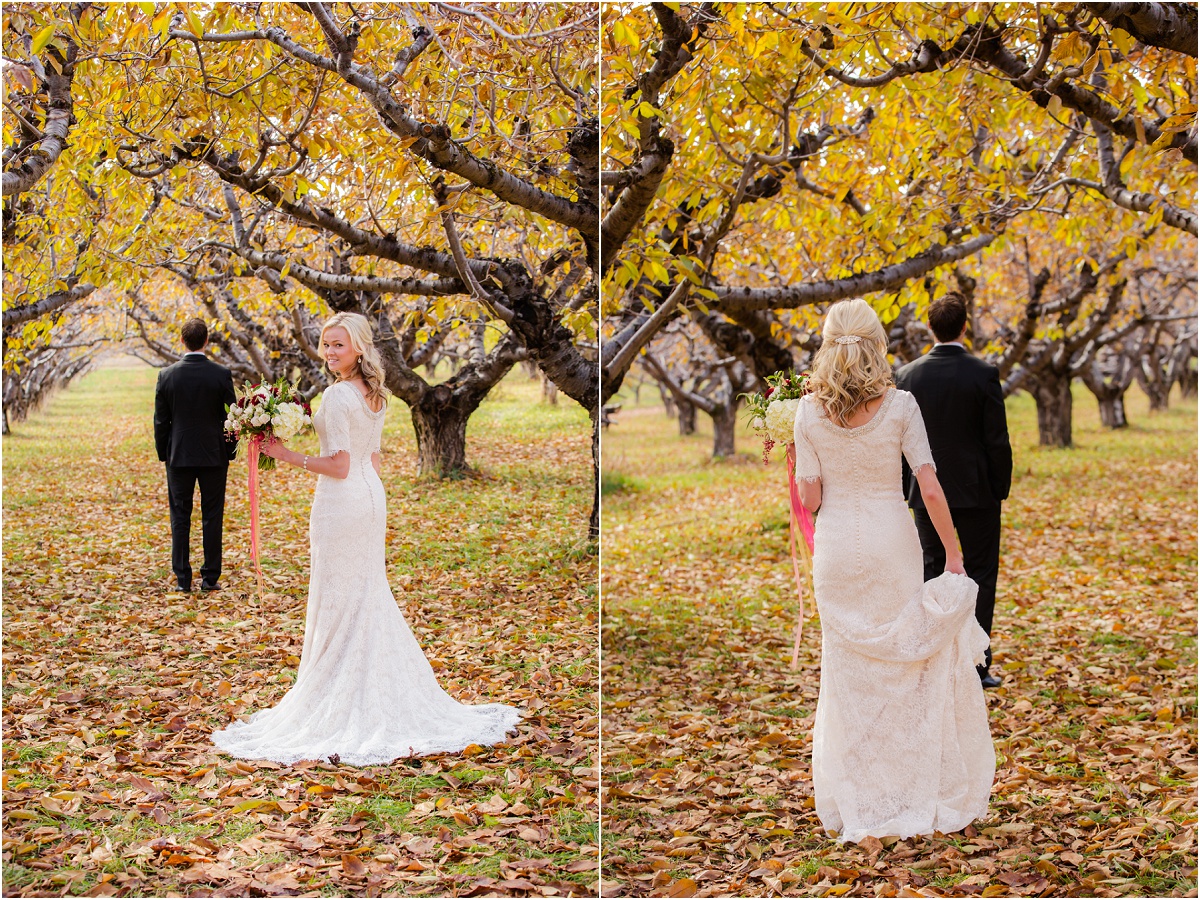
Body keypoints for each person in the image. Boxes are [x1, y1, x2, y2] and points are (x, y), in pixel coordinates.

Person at [212, 312, 521, 765]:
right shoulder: (378, 393)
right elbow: (371, 459)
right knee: (365, 592)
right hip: (370, 497)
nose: (329, 352)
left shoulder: (338, 396)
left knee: (342, 597)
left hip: (342, 502)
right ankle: (371, 683)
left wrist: (285, 453)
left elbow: (338, 464)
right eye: (325, 344)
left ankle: (341, 692)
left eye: (338, 344)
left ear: (358, 348)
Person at [792, 298, 994, 843]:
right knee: (904, 666)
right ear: (877, 342)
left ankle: (860, 795)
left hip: (836, 551)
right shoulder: (901, 405)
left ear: (828, 344)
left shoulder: (807, 411)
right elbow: (929, 486)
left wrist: (803, 470)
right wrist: (953, 554)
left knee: (847, 670)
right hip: (891, 542)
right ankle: (908, 788)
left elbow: (809, 499)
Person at [896, 293, 1013, 689]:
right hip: (977, 490)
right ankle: (977, 666)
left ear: (930, 328)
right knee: (980, 573)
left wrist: (903, 485)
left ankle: (936, 663)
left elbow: (898, 441)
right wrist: (1000, 487)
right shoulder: (984, 373)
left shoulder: (907, 375)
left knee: (932, 571)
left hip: (923, 489)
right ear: (966, 326)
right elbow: (997, 439)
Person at [154, 318, 237, 592]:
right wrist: (229, 451)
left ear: (182, 340)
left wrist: (163, 452)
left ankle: (183, 579)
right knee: (212, 516)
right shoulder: (221, 374)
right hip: (214, 456)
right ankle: (210, 577)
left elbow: (160, 421)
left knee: (180, 516)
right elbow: (232, 417)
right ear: (207, 341)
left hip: (179, 455)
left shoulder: (167, 376)